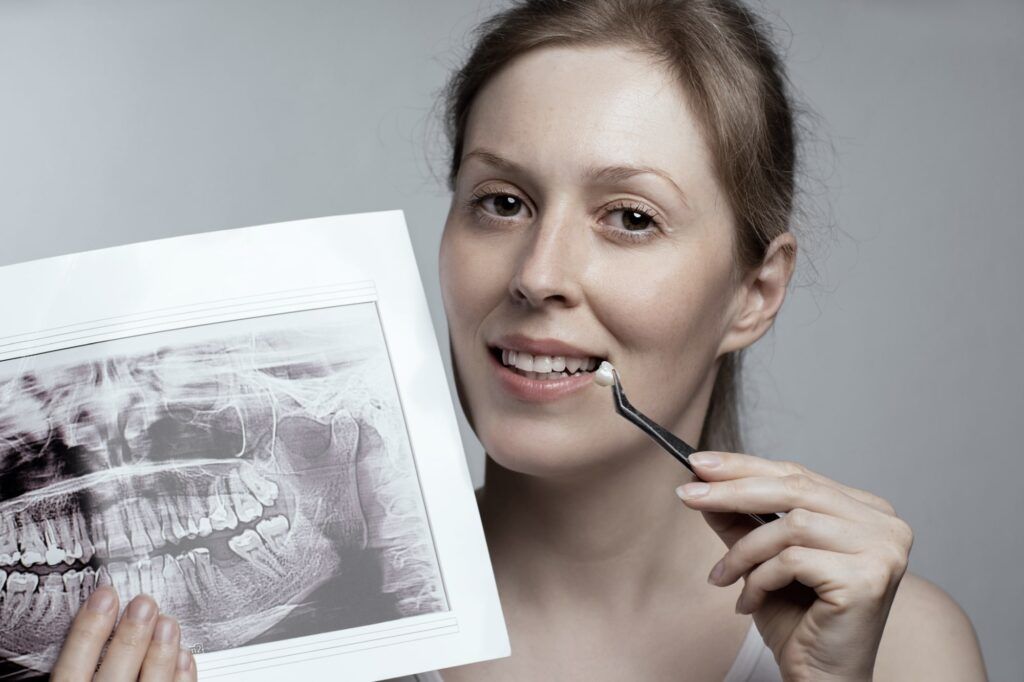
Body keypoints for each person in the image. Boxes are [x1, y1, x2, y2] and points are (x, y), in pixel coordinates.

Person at [50, 0, 988, 680]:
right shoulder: (238, 644)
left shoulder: (901, 650)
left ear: (755, 290)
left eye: (628, 217)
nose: (538, 272)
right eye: (501, 202)